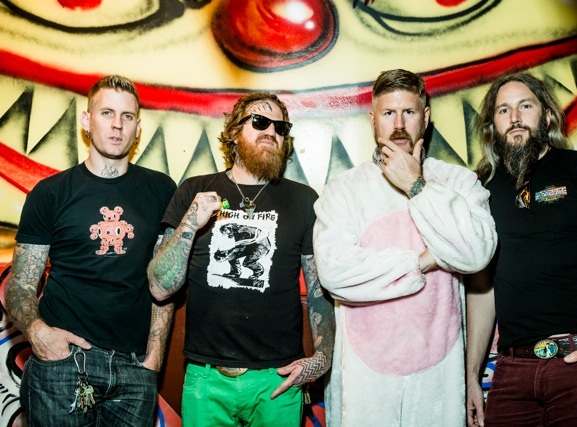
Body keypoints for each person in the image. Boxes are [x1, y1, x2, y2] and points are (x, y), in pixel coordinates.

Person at [313, 68, 498, 426]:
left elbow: (476, 254)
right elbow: (336, 274)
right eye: (388, 113)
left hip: (439, 384)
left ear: (425, 117)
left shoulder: (458, 181)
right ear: (373, 121)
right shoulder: (343, 190)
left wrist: (416, 185)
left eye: (408, 112)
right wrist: (423, 261)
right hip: (364, 388)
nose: (399, 125)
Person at [147, 92, 335, 427]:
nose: (271, 132)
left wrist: (322, 358)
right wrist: (190, 222)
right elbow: (160, 287)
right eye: (260, 122)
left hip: (278, 381)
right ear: (234, 132)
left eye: (280, 127)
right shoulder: (194, 191)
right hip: (206, 380)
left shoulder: (303, 200)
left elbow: (319, 293)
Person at [466, 72, 577, 426]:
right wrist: (470, 374)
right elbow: (482, 290)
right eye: (503, 110)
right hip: (512, 375)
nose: (515, 118)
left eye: (525, 106)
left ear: (546, 115)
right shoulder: (481, 191)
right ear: (493, 125)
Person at [4, 75, 177, 426]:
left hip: (134, 368)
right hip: (63, 363)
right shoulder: (50, 193)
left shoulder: (161, 190)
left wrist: (154, 358)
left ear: (138, 127)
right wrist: (39, 334)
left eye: (127, 116)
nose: (117, 125)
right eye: (107, 113)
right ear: (87, 120)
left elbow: (164, 282)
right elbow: (20, 284)